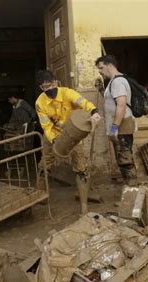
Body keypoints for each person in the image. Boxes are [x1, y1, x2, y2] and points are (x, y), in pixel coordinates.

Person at [35, 70, 101, 213]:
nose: (48, 89)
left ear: (56, 82)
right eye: (44, 87)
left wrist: (94, 112)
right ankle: (41, 196)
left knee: (82, 167)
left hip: (73, 134)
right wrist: (54, 140)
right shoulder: (40, 102)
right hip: (52, 134)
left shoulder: (67, 93)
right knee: (44, 165)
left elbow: (83, 102)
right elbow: (46, 125)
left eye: (50, 85)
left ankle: (84, 205)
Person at [95, 55, 137, 184]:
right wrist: (102, 89)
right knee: (123, 158)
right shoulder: (113, 82)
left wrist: (114, 127)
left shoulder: (118, 81)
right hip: (120, 125)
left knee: (125, 160)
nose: (100, 71)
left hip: (121, 126)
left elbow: (121, 105)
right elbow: (112, 102)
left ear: (110, 65)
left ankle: (132, 192)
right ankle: (131, 191)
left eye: (101, 68)